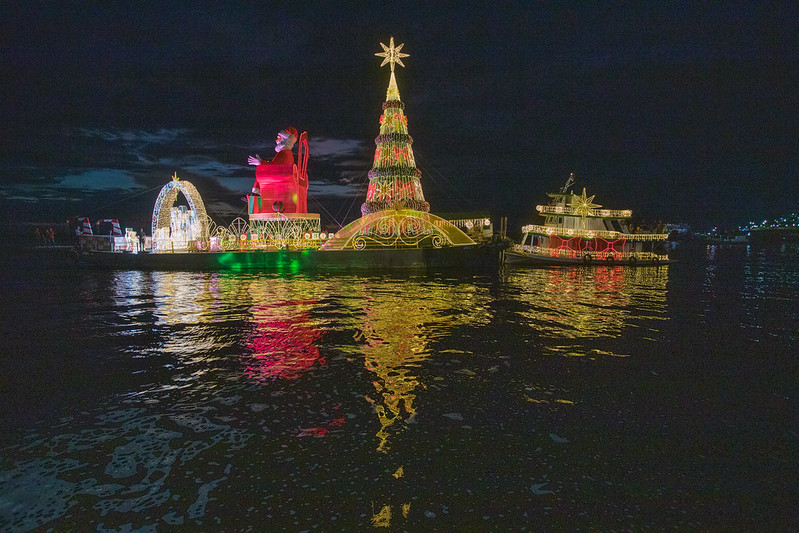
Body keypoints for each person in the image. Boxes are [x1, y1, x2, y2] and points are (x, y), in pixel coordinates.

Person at [247, 127, 299, 195]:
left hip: (280, 178)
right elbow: (276, 165)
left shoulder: (284, 153)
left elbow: (275, 166)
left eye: (279, 137)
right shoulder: (286, 153)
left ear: (285, 139)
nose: (276, 140)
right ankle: (257, 194)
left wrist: (260, 162)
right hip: (283, 177)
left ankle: (256, 194)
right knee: (261, 169)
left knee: (261, 171)